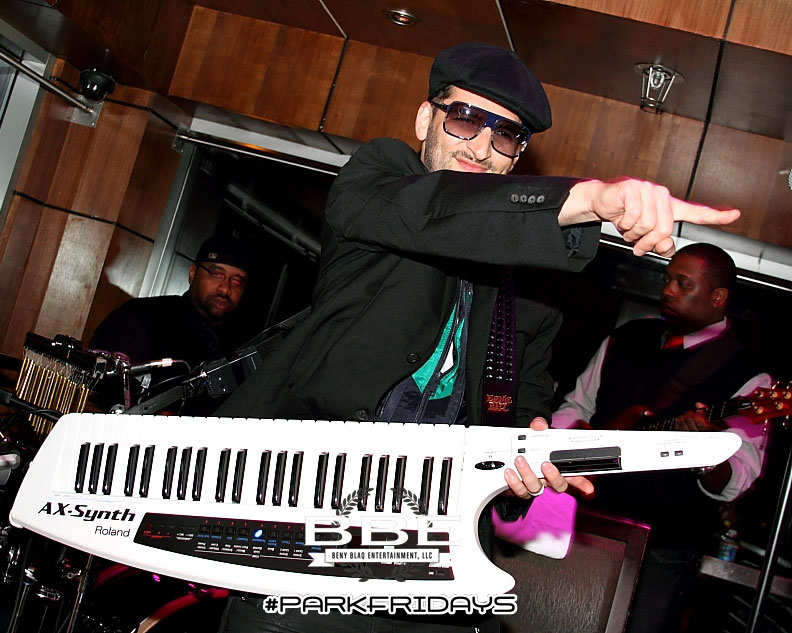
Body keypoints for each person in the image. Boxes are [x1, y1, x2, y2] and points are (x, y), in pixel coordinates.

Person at [215, 43, 741, 633]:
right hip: (306, 546)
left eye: (506, 136)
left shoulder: (533, 289)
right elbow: (434, 212)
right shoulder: (378, 181)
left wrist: (526, 472)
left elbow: (518, 423)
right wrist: (590, 199)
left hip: (436, 573)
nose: (482, 147)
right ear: (426, 119)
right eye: (465, 119)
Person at [551, 243, 772, 633]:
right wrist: (574, 450)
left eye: (683, 283)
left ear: (718, 297)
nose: (668, 290)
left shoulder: (749, 375)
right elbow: (574, 408)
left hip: (663, 547)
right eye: (667, 279)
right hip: (585, 523)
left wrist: (705, 454)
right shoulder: (627, 337)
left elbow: (739, 477)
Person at [89, 233, 255, 412]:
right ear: (193, 273)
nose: (225, 289)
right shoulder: (141, 317)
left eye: (237, 281)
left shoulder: (245, 346)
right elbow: (99, 389)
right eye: (217, 274)